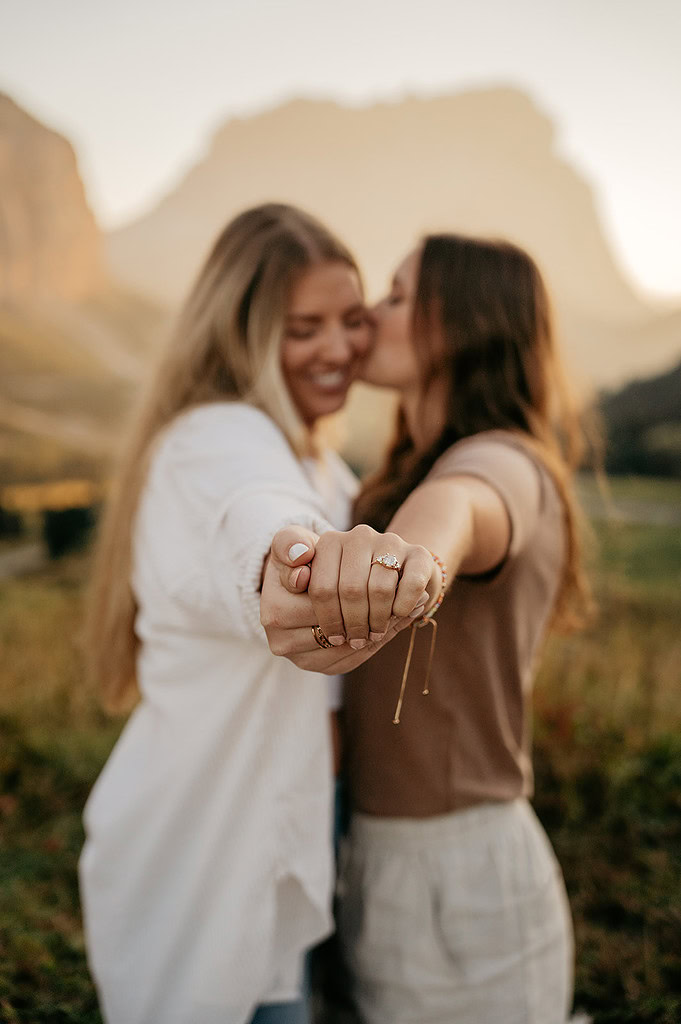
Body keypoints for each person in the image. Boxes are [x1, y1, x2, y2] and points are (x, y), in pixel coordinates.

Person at [78, 203, 432, 1024]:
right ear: (241, 333)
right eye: (302, 327)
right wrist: (286, 567)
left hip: (295, 840)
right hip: (214, 862)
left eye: (350, 321)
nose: (338, 349)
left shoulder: (317, 456)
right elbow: (251, 512)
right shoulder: (216, 437)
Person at [261, 233, 592, 1024]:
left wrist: (405, 561)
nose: (371, 315)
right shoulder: (395, 468)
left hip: (460, 875)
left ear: (462, 323)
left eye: (398, 296)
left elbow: (464, 509)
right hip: (376, 853)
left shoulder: (503, 459)